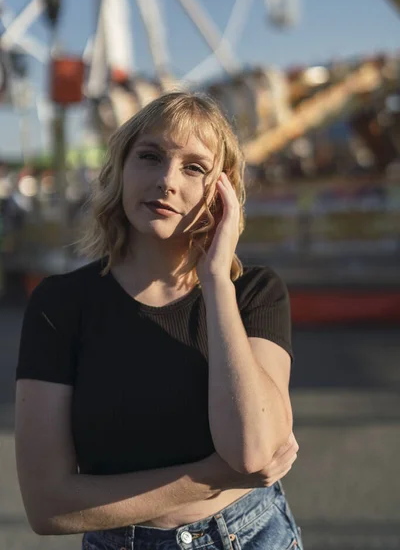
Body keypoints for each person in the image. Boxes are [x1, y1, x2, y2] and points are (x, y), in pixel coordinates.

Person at [15, 92, 303, 550]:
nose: (167, 180)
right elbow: (47, 505)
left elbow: (252, 449)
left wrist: (215, 282)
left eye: (194, 167)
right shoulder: (60, 305)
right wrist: (209, 477)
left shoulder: (254, 295)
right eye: (150, 157)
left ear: (221, 190)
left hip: (250, 537)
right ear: (120, 170)